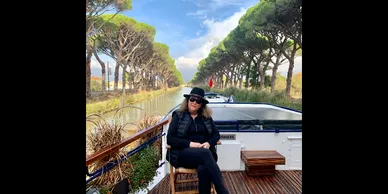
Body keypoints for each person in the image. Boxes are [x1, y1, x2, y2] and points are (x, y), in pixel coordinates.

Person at [166, 87, 229, 194]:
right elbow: (170, 139)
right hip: (183, 154)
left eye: (198, 101)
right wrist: (190, 144)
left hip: (204, 155)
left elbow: (216, 134)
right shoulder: (178, 115)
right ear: (188, 100)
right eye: (192, 99)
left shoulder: (205, 117)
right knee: (205, 154)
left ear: (201, 104)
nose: (194, 102)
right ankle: (221, 191)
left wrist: (209, 143)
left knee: (204, 167)